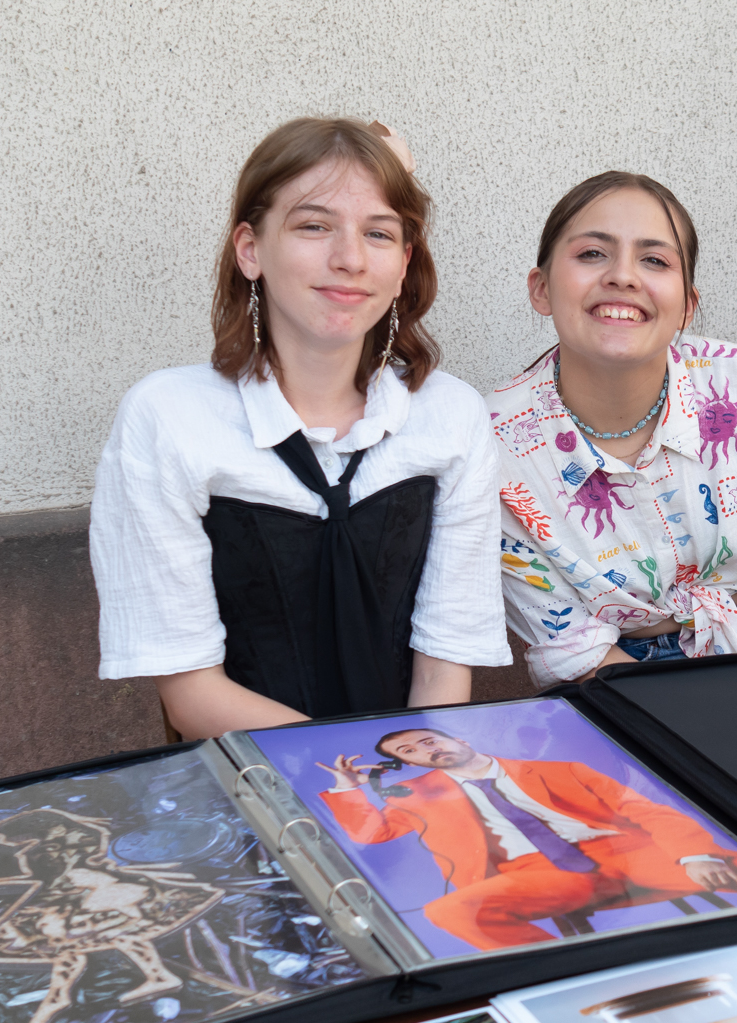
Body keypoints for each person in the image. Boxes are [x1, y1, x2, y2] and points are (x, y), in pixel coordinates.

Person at [90, 119, 509, 736]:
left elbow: (444, 662)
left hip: (414, 766)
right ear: (250, 249)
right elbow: (192, 695)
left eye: (378, 233)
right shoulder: (168, 416)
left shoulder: (451, 414)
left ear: (403, 263)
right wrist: (359, 772)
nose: (350, 259)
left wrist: (410, 773)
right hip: (248, 775)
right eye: (314, 226)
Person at [489, 172, 737, 689]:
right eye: (592, 253)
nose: (623, 276)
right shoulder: (493, 445)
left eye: (655, 260)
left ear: (687, 305)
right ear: (541, 288)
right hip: (614, 682)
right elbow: (580, 656)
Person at [316, 728, 737, 950]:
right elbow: (372, 833)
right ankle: (566, 976)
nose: (426, 751)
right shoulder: (417, 797)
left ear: (456, 739)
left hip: (626, 854)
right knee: (448, 911)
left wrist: (693, 854)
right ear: (410, 765)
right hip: (539, 878)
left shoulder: (560, 768)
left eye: (428, 740)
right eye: (410, 752)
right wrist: (347, 788)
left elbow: (645, 811)